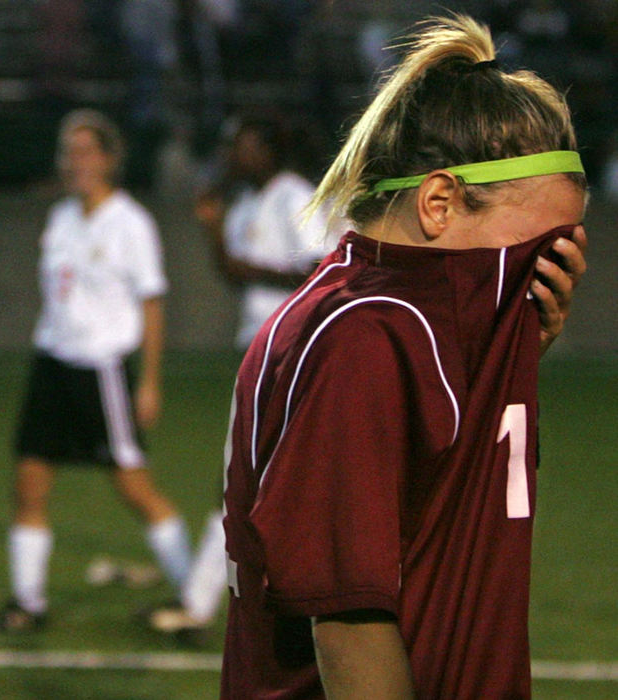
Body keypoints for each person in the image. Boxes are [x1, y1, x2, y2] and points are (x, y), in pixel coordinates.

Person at [220, 15, 589, 698]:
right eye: (537, 248)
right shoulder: (367, 338)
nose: (559, 268)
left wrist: (515, 355)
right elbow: (348, 615)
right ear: (439, 202)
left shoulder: (371, 304)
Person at [0, 109, 191, 632]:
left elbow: (152, 303)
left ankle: (194, 597)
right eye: (67, 152)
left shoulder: (129, 223)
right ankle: (27, 604)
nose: (74, 162)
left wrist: (148, 380)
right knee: (28, 482)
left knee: (134, 488)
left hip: (102, 371)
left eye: (84, 151)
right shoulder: (60, 218)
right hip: (52, 363)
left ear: (108, 159)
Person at [150, 113, 334, 638]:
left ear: (272, 150)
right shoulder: (252, 203)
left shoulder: (294, 195)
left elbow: (324, 271)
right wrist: (213, 229)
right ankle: (210, 601)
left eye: (245, 145)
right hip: (263, 348)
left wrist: (248, 265)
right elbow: (235, 273)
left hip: (295, 350)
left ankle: (201, 604)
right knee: (256, 482)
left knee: (246, 481)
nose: (234, 154)